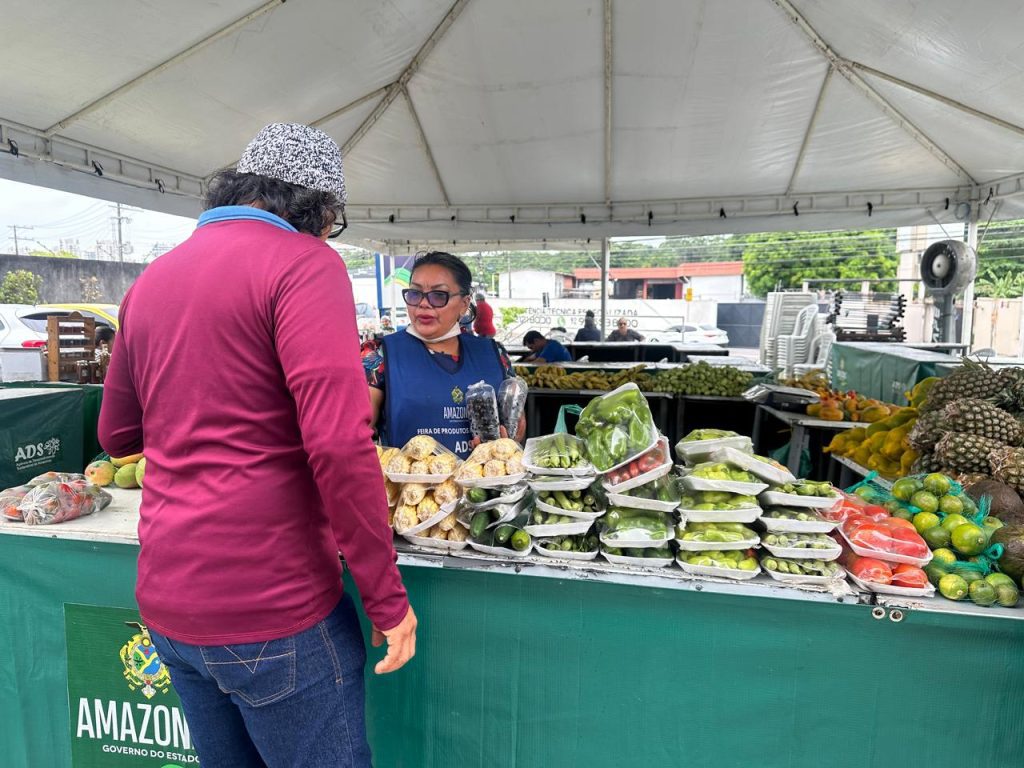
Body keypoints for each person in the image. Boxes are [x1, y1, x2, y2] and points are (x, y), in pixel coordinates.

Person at [98, 123, 415, 768]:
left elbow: (118, 435)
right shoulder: (304, 263)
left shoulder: (152, 279)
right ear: (320, 209)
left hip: (168, 603)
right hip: (273, 604)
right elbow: (338, 441)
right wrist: (385, 598)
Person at [366, 252, 524, 459]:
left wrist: (507, 440)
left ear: (464, 304)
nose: (423, 303)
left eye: (438, 295)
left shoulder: (494, 354)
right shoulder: (380, 355)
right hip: (410, 489)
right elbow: (357, 433)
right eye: (415, 293)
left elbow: (516, 421)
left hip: (484, 487)